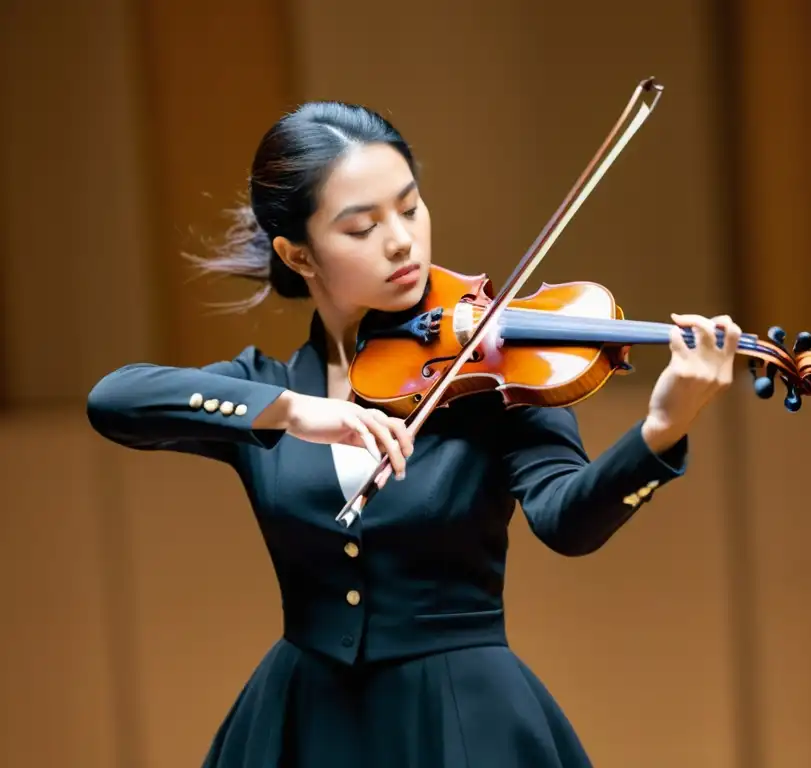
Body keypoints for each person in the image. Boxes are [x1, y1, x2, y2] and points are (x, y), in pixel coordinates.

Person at [86, 101, 741, 768]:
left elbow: (567, 522)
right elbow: (115, 399)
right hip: (305, 720)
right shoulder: (268, 389)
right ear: (298, 253)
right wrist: (293, 411)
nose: (401, 240)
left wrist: (662, 431)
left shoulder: (495, 366)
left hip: (461, 719)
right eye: (363, 227)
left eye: (410, 207)